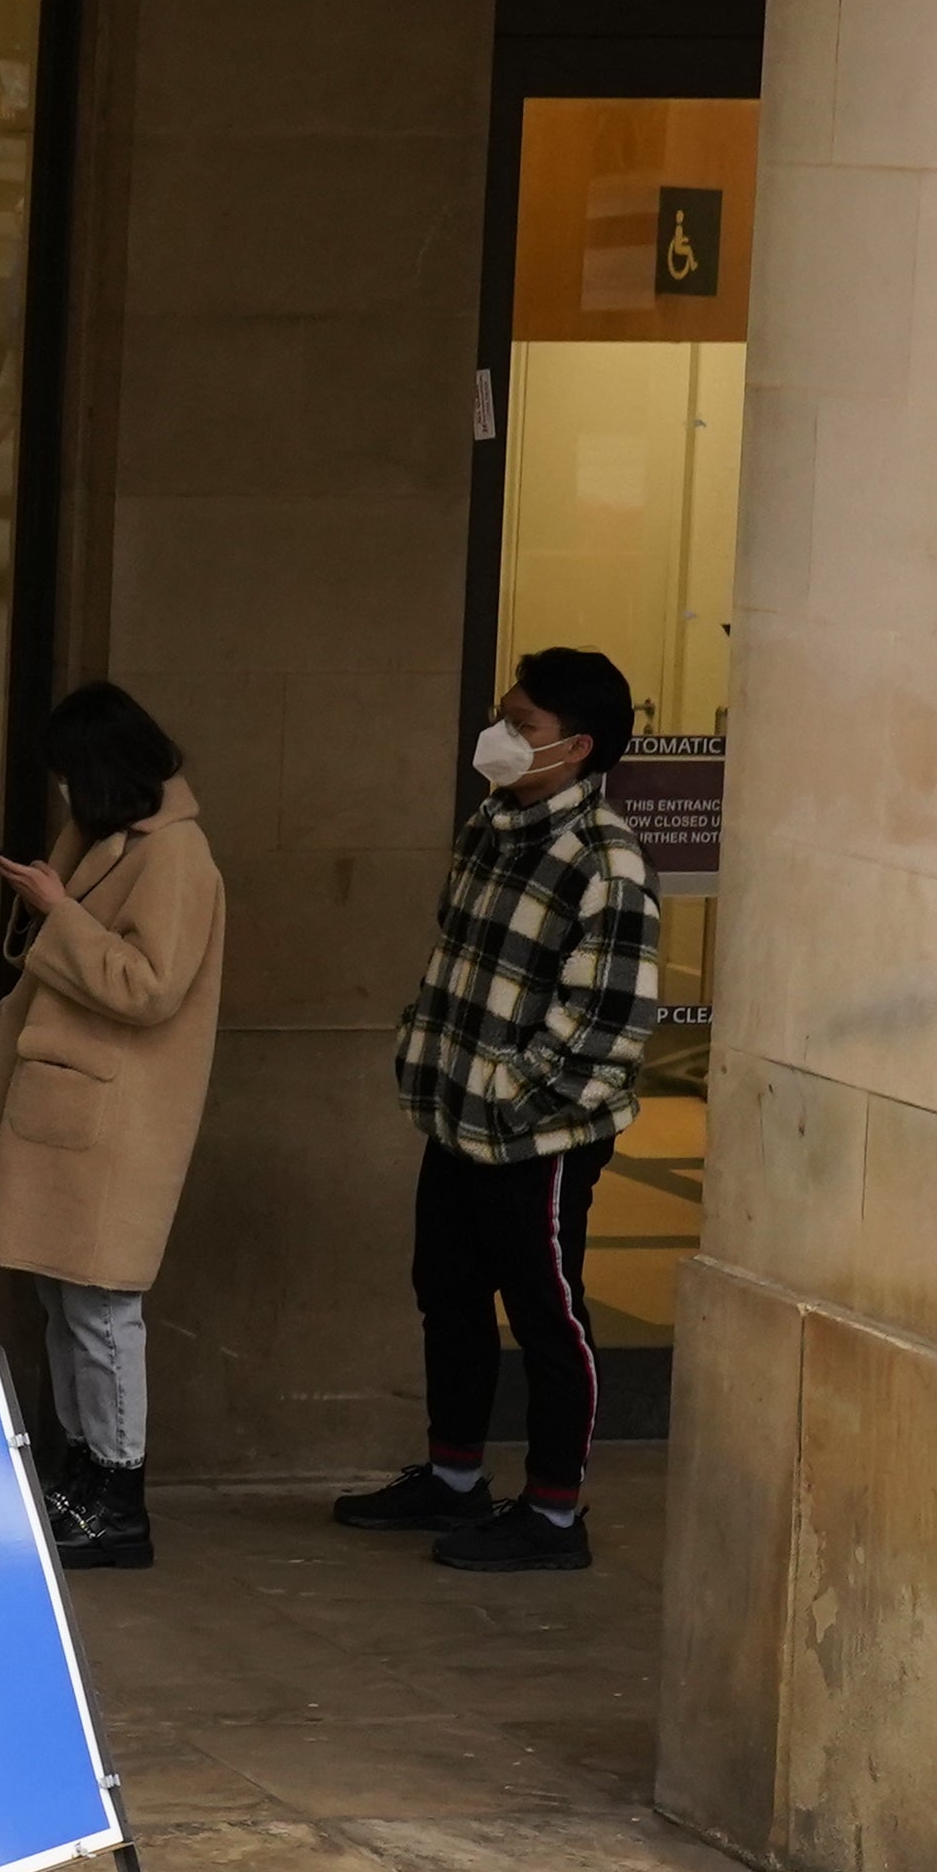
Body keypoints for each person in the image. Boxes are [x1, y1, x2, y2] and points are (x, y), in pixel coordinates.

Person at [337, 647, 661, 1573]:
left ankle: (555, 1513)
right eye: (505, 717)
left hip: (539, 1138)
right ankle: (452, 1475)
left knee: (548, 1315)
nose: (503, 736)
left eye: (524, 727)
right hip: (455, 1119)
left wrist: (511, 1099)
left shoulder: (606, 859)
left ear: (579, 746)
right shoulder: (492, 823)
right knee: (446, 1293)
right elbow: (457, 950)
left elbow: (606, 1022)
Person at [0, 683, 227, 1571]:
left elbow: (148, 988)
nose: (64, 792)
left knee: (103, 1306)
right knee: (64, 1299)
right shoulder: (110, 839)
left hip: (115, 1114)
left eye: (71, 775)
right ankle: (82, 1475)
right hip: (74, 1107)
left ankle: (117, 1492)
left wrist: (55, 909)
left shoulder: (175, 857)